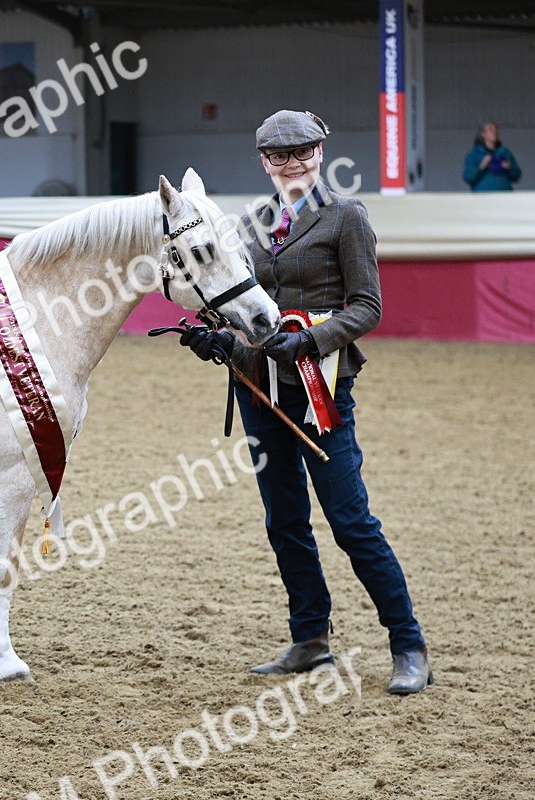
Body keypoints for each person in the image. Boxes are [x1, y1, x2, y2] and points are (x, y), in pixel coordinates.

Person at [179, 110, 431, 694]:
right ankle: (310, 638)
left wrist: (310, 339)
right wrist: (217, 339)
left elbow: (367, 306)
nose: (291, 164)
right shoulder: (248, 225)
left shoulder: (346, 216)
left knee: (350, 520)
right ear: (264, 162)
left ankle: (408, 642)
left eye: (302, 153)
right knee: (285, 520)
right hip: (259, 387)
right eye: (278, 156)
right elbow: (244, 307)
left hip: (322, 388)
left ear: (320, 153)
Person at [463, 121, 522, 191]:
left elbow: (517, 176)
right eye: (491, 130)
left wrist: (509, 168)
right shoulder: (474, 154)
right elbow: (468, 177)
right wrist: (481, 167)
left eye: (496, 130)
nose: (494, 132)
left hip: (504, 197)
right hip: (482, 197)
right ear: (483, 134)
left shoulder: (505, 153)